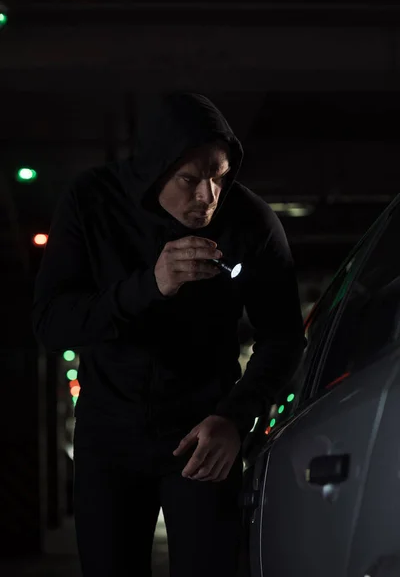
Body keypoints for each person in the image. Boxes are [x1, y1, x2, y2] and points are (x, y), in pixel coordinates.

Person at [32, 92, 305, 577]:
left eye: (219, 178)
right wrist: (149, 286)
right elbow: (53, 324)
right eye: (190, 179)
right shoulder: (92, 200)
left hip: (205, 436)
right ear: (156, 168)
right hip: (109, 435)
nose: (208, 196)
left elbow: (283, 337)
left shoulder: (251, 220)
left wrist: (235, 419)